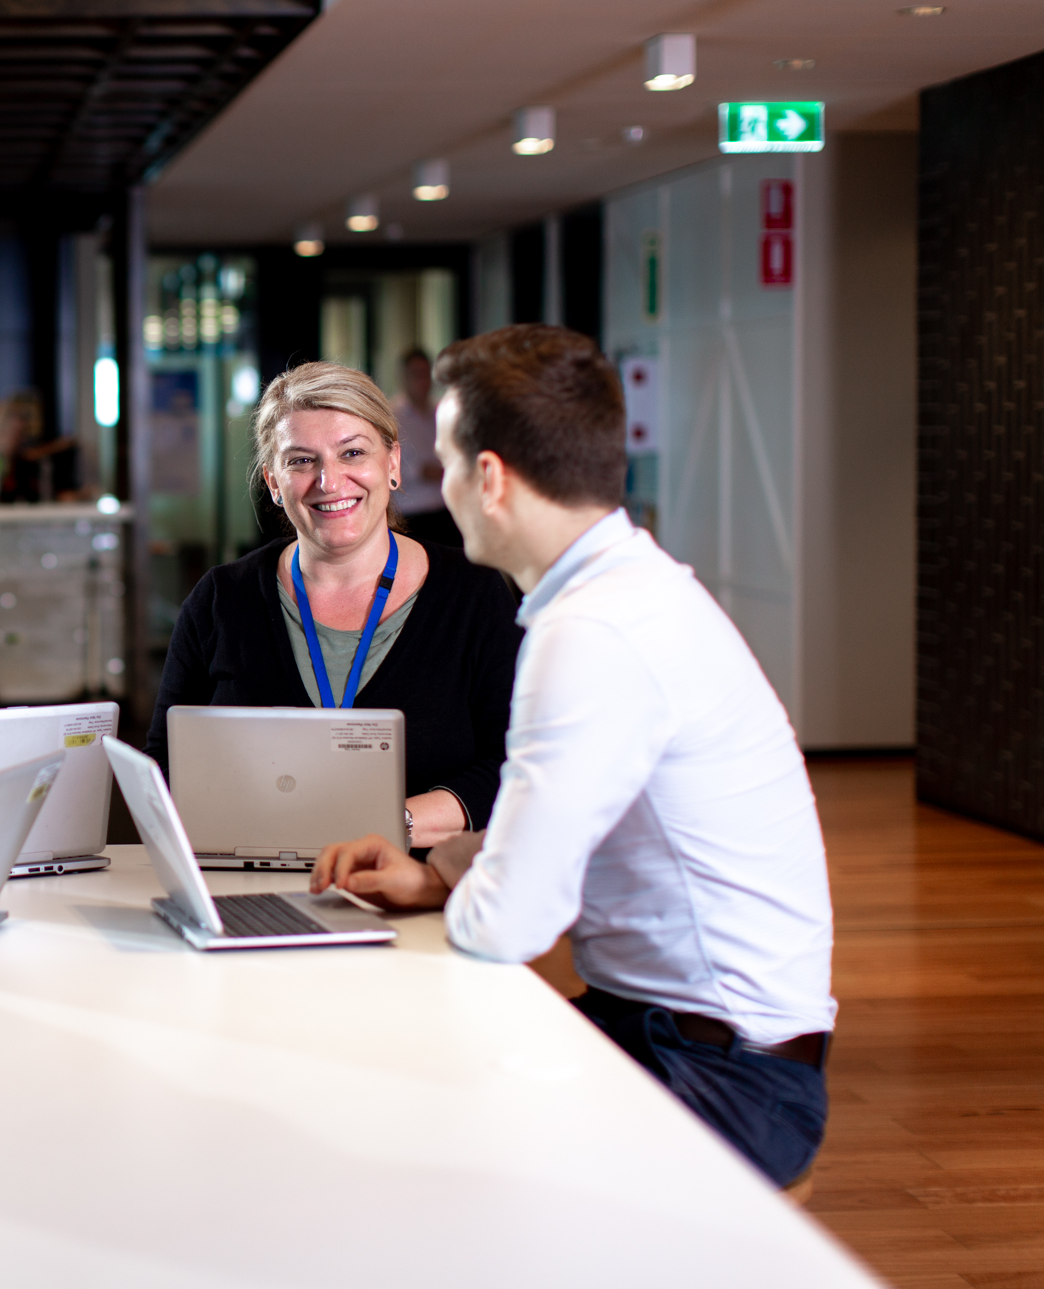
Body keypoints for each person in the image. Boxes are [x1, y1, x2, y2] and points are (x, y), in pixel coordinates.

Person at [309, 325, 835, 1187]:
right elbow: (578, 819)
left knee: (402, 1135)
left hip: (726, 1081)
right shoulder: (630, 590)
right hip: (687, 1034)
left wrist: (463, 887)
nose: (439, 487)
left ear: (489, 477)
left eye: (443, 461)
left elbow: (510, 921)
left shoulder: (590, 630)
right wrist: (437, 873)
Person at [147, 361, 522, 845]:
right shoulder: (222, 600)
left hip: (419, 895)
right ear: (274, 483)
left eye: (352, 453)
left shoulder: (474, 592)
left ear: (392, 464)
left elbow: (512, 762)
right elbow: (163, 764)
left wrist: (386, 826)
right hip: (248, 886)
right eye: (301, 460)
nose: (329, 480)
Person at [392, 347, 461, 548]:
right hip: (412, 515)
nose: (422, 380)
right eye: (416, 374)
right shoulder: (393, 416)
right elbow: (408, 471)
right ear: (403, 377)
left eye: (425, 373)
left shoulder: (442, 411)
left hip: (445, 510)